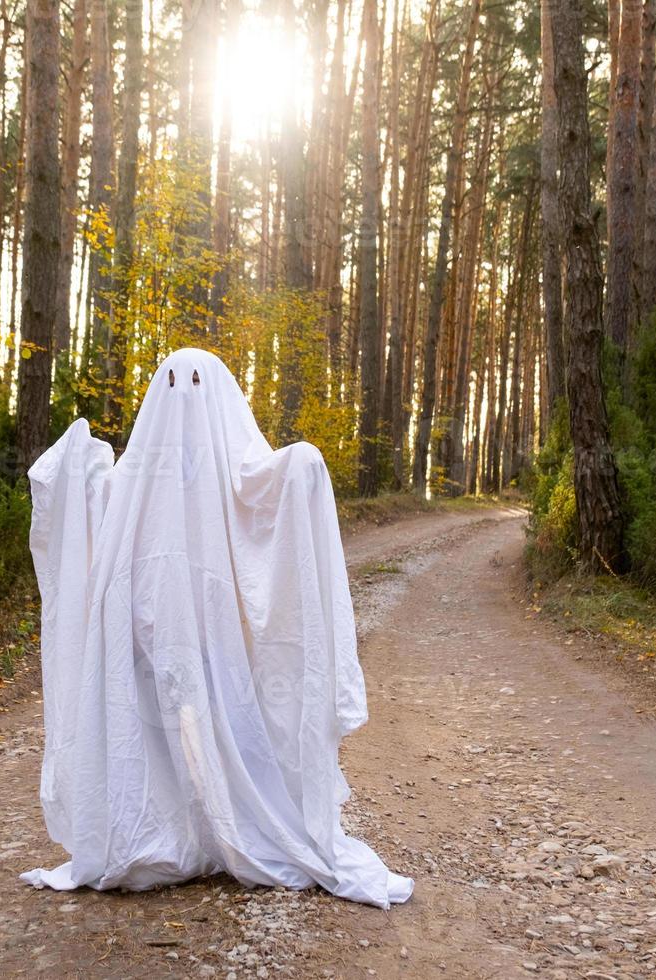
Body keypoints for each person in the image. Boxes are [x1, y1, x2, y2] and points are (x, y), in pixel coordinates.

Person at [21, 347, 412, 909]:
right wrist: (75, 467)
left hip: (208, 629)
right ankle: (167, 827)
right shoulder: (134, 474)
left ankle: (223, 820)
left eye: (197, 382)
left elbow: (267, 486)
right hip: (146, 625)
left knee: (229, 718)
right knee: (149, 729)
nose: (185, 396)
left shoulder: (234, 468)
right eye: (174, 383)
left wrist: (299, 465)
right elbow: (92, 501)